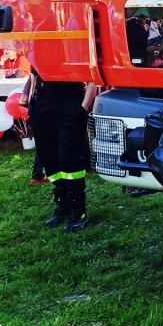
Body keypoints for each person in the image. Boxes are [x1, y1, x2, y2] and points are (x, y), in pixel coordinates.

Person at [28, 73, 99, 231]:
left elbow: (93, 79)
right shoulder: (38, 49)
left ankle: (78, 210)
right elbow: (33, 76)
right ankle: (63, 205)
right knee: (49, 159)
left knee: (69, 158)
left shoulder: (76, 49)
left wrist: (82, 109)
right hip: (43, 106)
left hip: (70, 104)